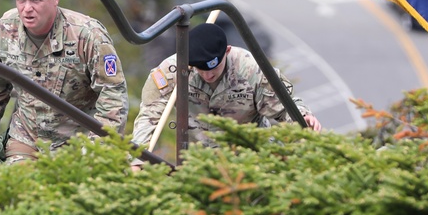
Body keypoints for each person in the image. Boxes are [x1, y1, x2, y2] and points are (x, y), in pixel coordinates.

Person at [0, 0, 128, 163]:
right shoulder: (5, 29)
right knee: (15, 187)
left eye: (36, 0)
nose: (27, 9)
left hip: (78, 142)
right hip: (26, 138)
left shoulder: (88, 35)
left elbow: (113, 95)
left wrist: (99, 151)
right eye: (21, 0)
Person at [132, 22, 322, 152]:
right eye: (200, 69)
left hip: (250, 151)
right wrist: (138, 156)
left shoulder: (249, 69)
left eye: (213, 69)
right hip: (196, 156)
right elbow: (149, 114)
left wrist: (302, 117)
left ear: (227, 51)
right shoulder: (173, 70)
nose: (207, 75)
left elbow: (283, 107)